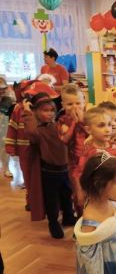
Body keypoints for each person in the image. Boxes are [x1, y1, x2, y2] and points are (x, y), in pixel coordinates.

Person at [22, 93, 77, 238]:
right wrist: (27, 113)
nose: (50, 113)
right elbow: (31, 132)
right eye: (45, 110)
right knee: (51, 200)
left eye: (52, 110)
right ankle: (53, 223)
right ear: (36, 112)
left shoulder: (58, 125)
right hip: (49, 172)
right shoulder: (39, 131)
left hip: (64, 169)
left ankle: (68, 216)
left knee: (66, 195)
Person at [5, 81, 58, 216]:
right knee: (28, 177)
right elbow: (13, 127)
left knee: (43, 177)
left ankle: (46, 202)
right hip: (25, 151)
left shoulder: (47, 109)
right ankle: (32, 201)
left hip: (42, 150)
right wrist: (10, 146)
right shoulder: (18, 109)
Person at [74, 107, 116, 209]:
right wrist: (80, 192)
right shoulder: (88, 152)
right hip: (98, 200)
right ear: (89, 129)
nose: (107, 129)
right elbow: (79, 174)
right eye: (101, 125)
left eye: (109, 124)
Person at [57, 84, 88, 215]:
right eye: (70, 104)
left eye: (78, 103)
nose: (75, 107)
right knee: (79, 195)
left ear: (84, 102)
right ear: (63, 105)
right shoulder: (63, 120)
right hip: (75, 164)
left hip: (91, 162)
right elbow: (64, 139)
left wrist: (83, 121)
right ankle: (81, 219)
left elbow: (95, 133)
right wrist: (74, 122)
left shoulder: (89, 118)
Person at [0, 76, 15, 178]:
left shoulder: (8, 100)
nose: (1, 91)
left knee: (4, 148)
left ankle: (6, 168)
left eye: (3, 89)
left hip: (4, 127)